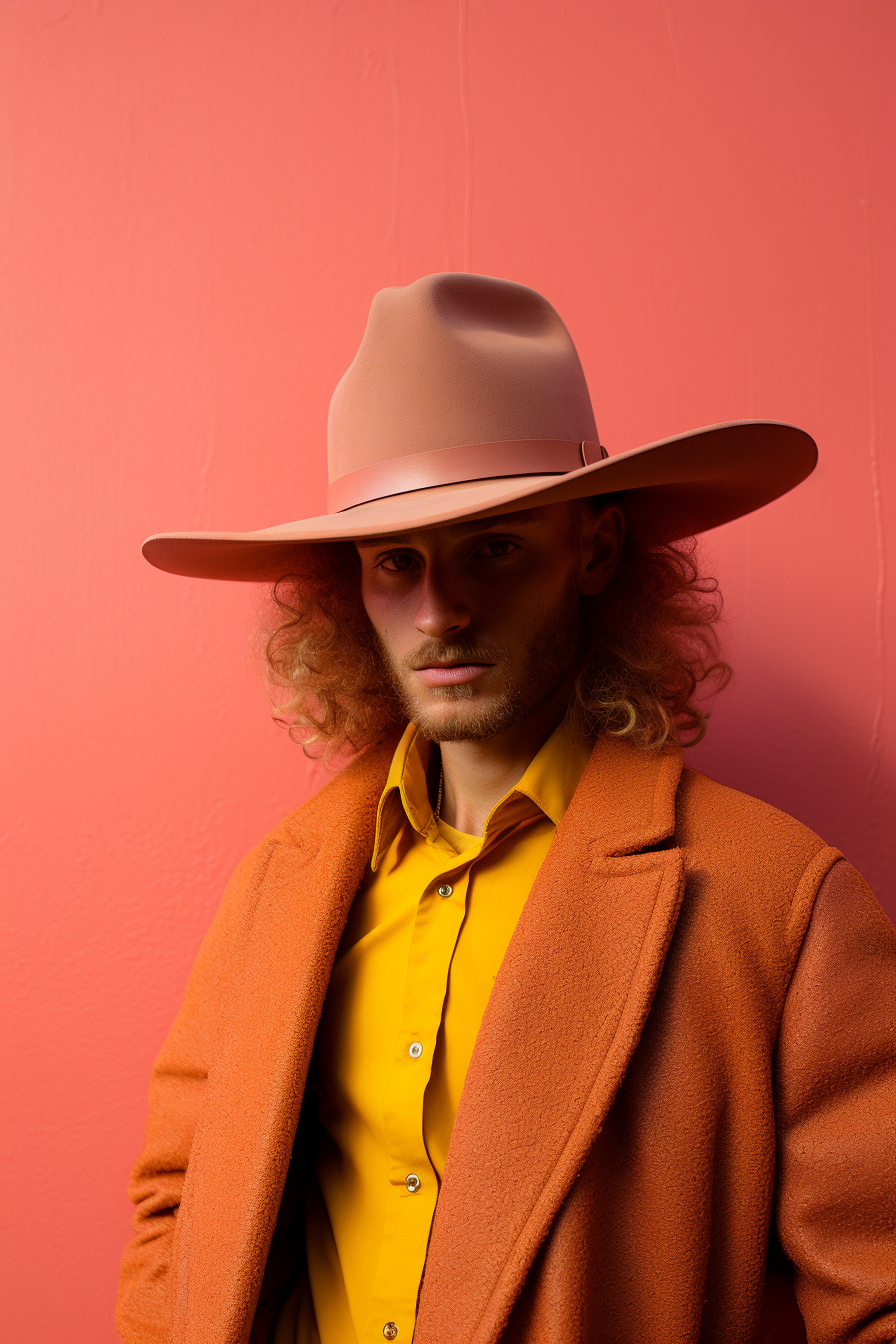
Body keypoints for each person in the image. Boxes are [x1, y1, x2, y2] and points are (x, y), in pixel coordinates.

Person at [117, 273, 896, 1344]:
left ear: (594, 550)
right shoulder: (282, 882)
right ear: (356, 589)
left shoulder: (781, 906)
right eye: (398, 563)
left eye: (494, 546)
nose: (440, 610)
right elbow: (176, 1206)